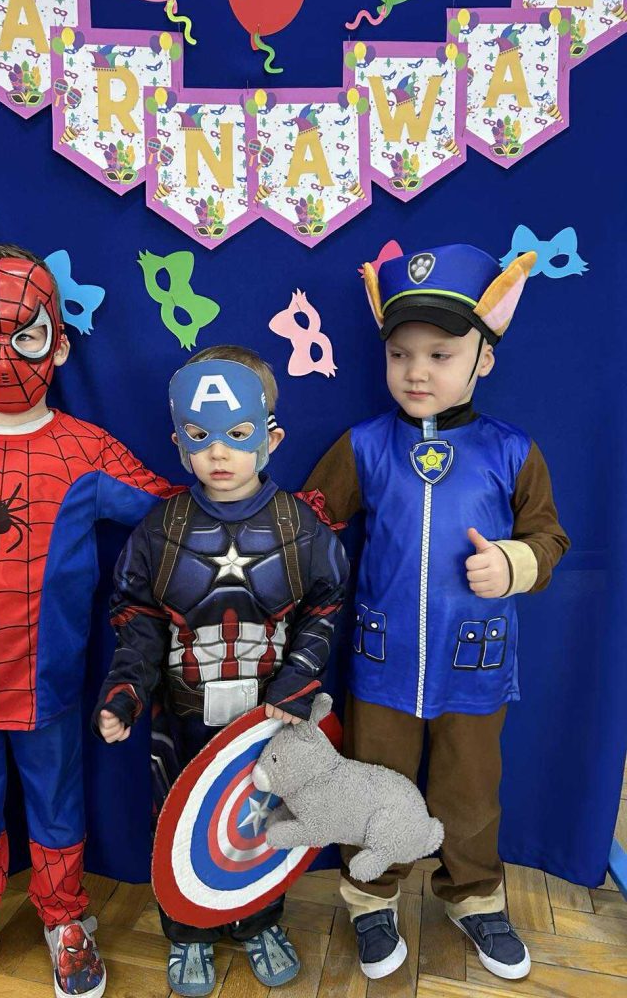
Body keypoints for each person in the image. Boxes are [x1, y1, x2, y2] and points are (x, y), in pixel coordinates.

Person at [0, 244, 180, 998]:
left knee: (57, 799)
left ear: (58, 343)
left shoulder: (84, 449)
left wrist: (271, 513)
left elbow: (168, 508)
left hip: (47, 674)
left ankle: (65, 918)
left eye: (23, 337)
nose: (2, 359)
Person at [304, 245, 570, 983]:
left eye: (440, 354)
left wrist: (514, 565)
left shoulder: (512, 451)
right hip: (382, 663)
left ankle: (475, 895)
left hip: (475, 664)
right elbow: (310, 525)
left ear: (484, 358)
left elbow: (549, 538)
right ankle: (371, 898)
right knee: (372, 785)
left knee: (469, 793)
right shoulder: (365, 444)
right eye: (400, 354)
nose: (416, 372)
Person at [93, 346, 349, 997]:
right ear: (179, 445)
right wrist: (125, 692)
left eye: (237, 434)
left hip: (268, 721)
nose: (218, 453)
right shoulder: (160, 531)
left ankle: (259, 920)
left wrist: (298, 679)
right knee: (177, 824)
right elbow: (136, 617)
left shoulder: (300, 529)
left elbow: (326, 605)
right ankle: (187, 933)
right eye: (199, 436)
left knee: (264, 823)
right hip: (181, 720)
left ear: (270, 438)